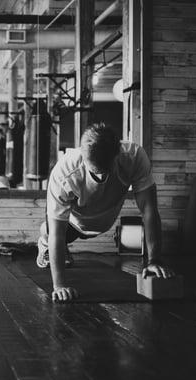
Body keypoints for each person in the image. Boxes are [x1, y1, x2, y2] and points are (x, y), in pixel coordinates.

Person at [37, 123, 175, 302]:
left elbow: (149, 210)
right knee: (50, 230)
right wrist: (59, 285)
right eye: (95, 172)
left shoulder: (134, 157)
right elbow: (57, 231)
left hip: (105, 219)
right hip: (74, 222)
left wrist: (154, 261)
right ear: (83, 156)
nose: (101, 178)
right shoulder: (64, 172)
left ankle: (61, 249)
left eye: (105, 172)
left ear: (117, 153)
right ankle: (44, 246)